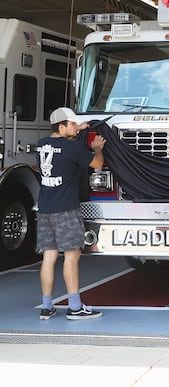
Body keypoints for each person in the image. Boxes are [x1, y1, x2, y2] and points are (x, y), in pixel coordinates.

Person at [36, 107, 106, 321]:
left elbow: (61, 143)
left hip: (45, 207)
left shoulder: (41, 145)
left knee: (49, 256)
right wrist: (97, 148)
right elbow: (97, 164)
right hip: (66, 209)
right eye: (72, 124)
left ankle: (47, 306)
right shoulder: (71, 148)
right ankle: (75, 307)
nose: (77, 127)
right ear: (61, 126)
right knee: (72, 256)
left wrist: (78, 128)